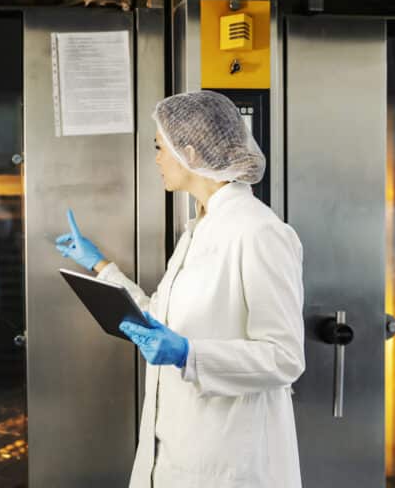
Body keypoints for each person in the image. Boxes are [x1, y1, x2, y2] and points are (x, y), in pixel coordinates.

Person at [55, 91, 305, 488]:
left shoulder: (258, 231)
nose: (156, 159)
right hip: (176, 451)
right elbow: (160, 320)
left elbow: (285, 357)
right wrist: (100, 266)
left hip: (229, 463)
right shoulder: (198, 229)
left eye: (160, 147)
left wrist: (190, 354)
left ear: (188, 152)